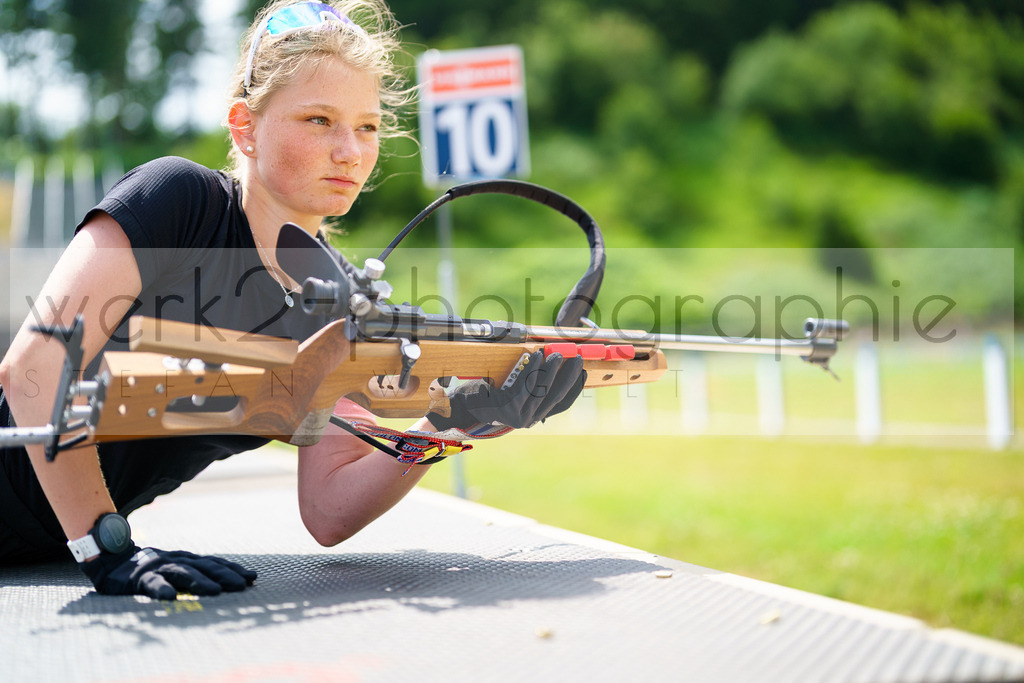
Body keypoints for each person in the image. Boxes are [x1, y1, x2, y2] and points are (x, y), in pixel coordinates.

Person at [0, 0, 584, 599]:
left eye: (367, 126)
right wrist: (104, 544)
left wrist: (448, 421)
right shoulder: (176, 202)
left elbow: (330, 507)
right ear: (244, 127)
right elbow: (34, 368)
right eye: (318, 120)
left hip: (40, 557)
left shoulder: (336, 299)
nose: (350, 152)